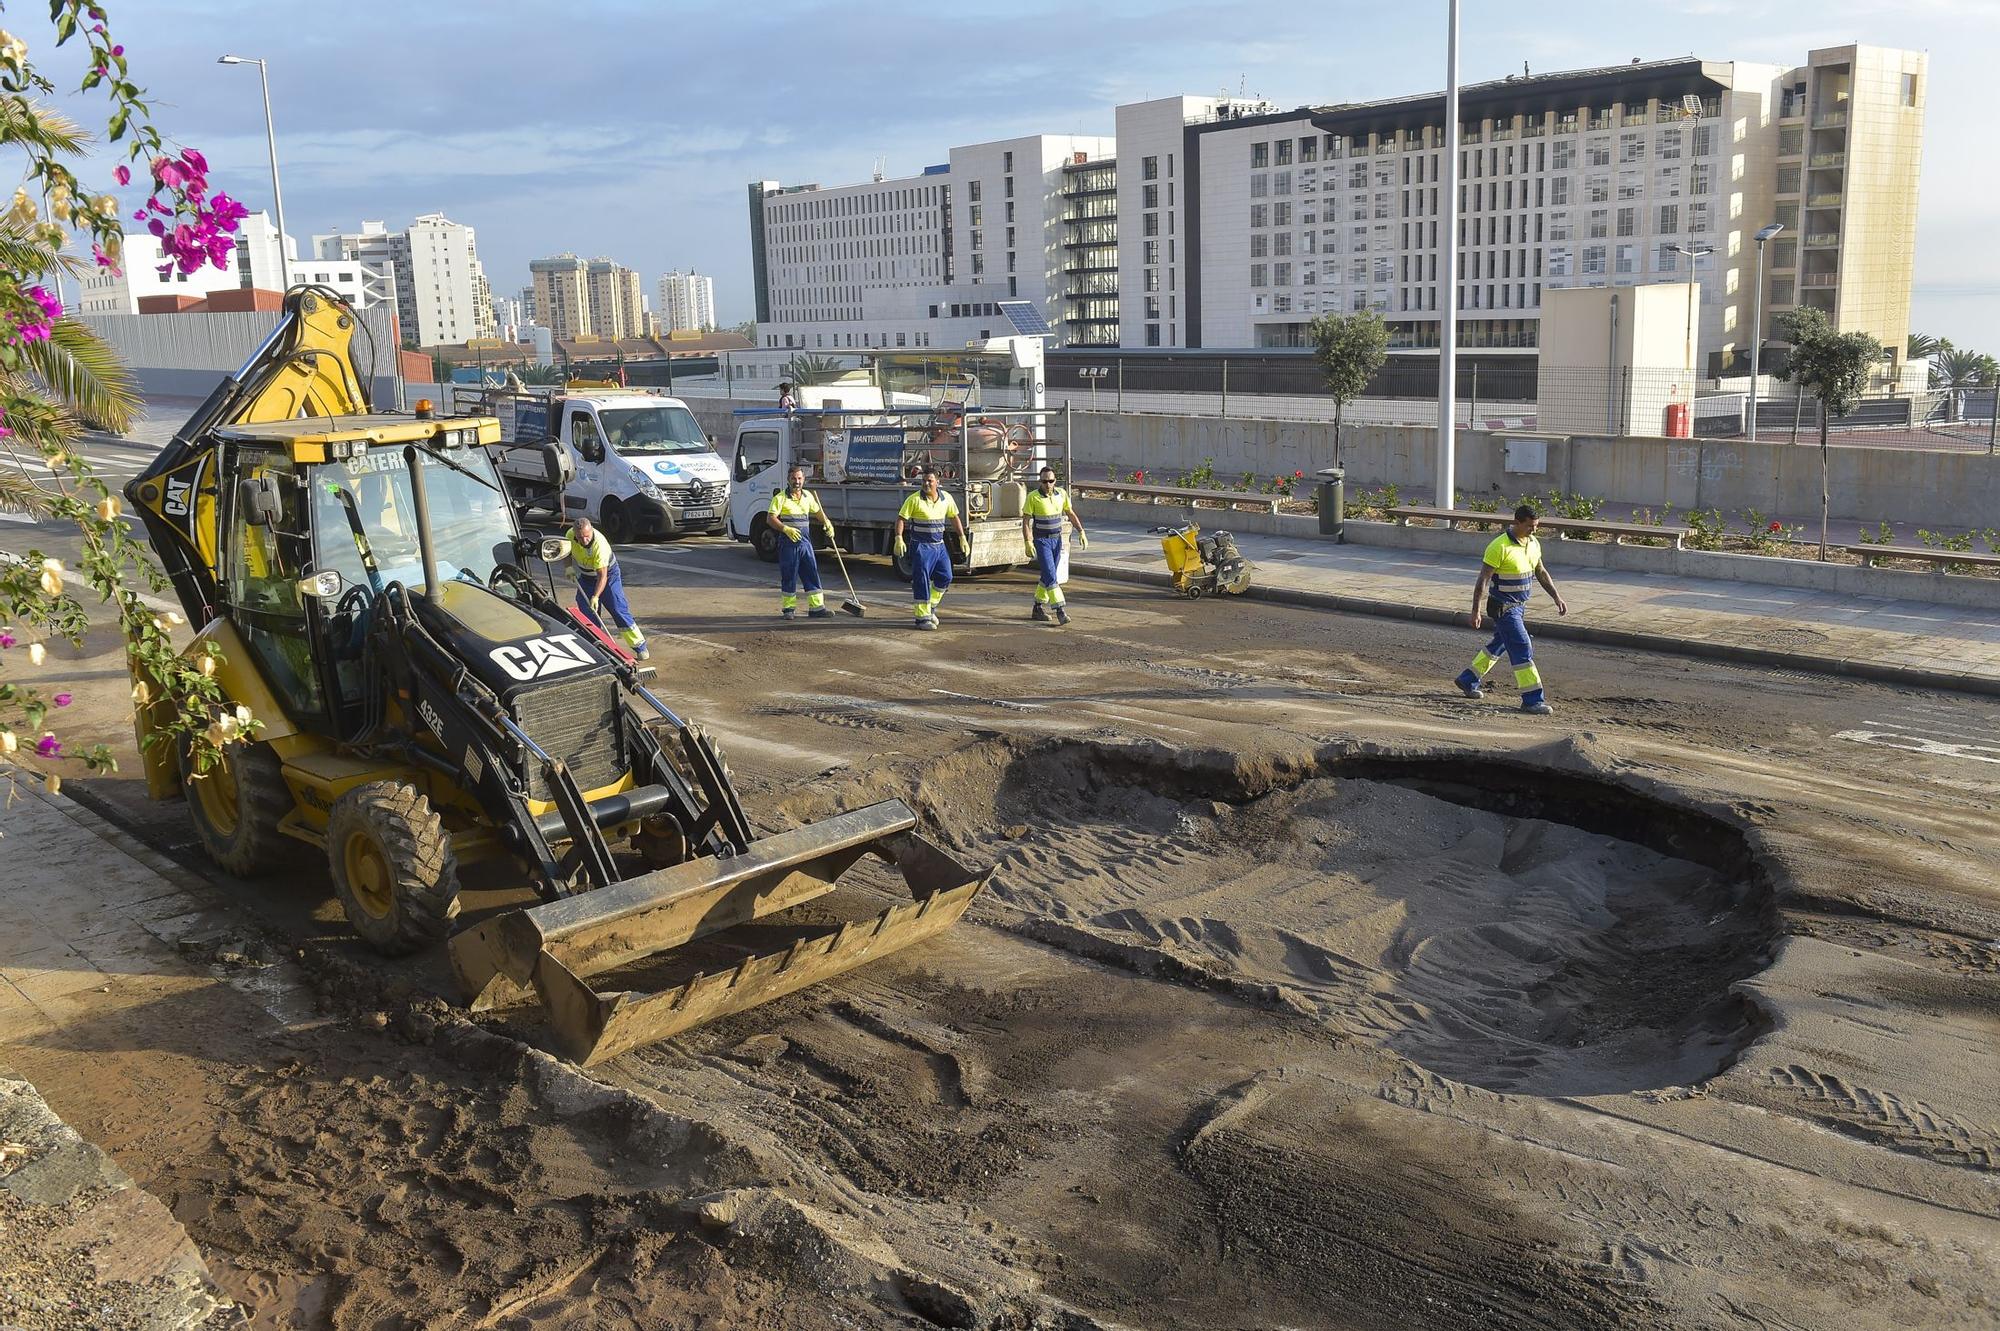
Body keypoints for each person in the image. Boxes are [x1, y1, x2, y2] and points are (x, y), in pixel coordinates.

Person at [1456, 505, 1567, 715]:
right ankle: (1532, 700)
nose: (1534, 530)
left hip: (1519, 607)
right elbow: (1483, 581)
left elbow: (1541, 572)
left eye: (1536, 526)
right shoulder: (1499, 546)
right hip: (1504, 609)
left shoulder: (1533, 543)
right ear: (1517, 523)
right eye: (1530, 526)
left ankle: (1467, 679)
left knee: (1499, 644)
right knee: (1522, 647)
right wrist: (1475, 611)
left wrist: (1556, 597)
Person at [893, 464, 968, 631]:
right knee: (922, 581)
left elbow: (954, 517)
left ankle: (931, 606)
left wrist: (962, 537)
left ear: (937, 482)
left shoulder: (946, 498)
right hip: (921, 546)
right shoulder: (914, 500)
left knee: (946, 576)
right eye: (924, 481)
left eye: (930, 481)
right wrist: (899, 538)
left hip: (939, 546)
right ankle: (922, 618)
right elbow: (901, 519)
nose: (926, 484)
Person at [568, 514, 649, 660]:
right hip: (586, 577)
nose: (584, 540)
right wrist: (568, 567)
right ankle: (596, 646)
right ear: (575, 534)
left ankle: (639, 646)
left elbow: (602, 576)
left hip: (608, 575)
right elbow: (565, 550)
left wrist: (596, 596)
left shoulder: (600, 545)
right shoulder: (570, 535)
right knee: (587, 613)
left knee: (617, 607)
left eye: (586, 536)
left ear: (591, 530)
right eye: (580, 537)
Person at [1020, 465, 1087, 625]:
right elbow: (1026, 521)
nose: (1048, 484)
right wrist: (1028, 541)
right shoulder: (1033, 497)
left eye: (1050, 481)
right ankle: (1060, 610)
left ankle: (1037, 607)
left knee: (1047, 575)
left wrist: (1081, 530)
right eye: (1044, 481)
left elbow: (1070, 513)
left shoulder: (1061, 494)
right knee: (1051, 575)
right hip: (1041, 540)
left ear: (1055, 481)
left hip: (1057, 539)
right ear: (1040, 481)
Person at [768, 465, 836, 620]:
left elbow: (817, 511)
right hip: (788, 544)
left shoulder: (807, 496)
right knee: (789, 575)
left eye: (799, 478)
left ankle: (817, 608)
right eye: (794, 478)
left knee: (811, 573)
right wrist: (785, 529)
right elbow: (770, 518)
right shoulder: (780, 498)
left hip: (805, 543)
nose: (797, 481)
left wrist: (827, 522)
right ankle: (788, 609)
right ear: (788, 479)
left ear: (804, 479)